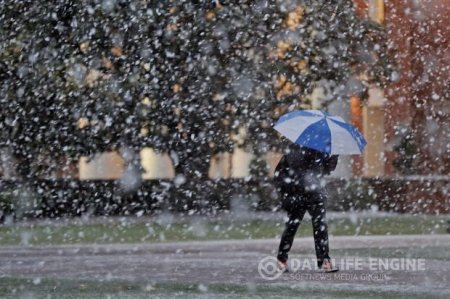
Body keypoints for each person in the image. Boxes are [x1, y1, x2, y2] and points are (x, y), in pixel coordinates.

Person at [274, 145, 339, 273]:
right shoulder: (293, 152)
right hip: (297, 195)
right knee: (292, 226)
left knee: (320, 226)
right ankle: (282, 259)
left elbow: (327, 170)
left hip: (316, 194)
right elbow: (280, 174)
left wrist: (334, 157)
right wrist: (287, 193)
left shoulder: (321, 150)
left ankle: (324, 260)